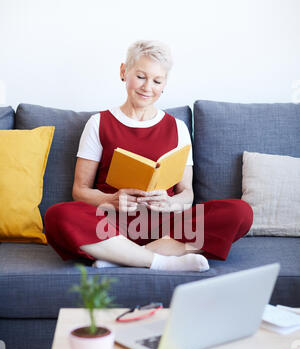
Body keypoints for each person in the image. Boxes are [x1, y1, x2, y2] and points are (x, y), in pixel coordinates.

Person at [44, 40, 253, 272]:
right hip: (112, 224)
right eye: (141, 76)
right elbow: (79, 190)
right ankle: (161, 262)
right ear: (124, 72)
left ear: (164, 84)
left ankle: (121, 258)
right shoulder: (99, 123)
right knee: (57, 216)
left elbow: (187, 194)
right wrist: (111, 200)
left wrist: (170, 203)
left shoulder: (178, 128)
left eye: (157, 81)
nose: (147, 87)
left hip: (165, 226)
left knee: (241, 212)